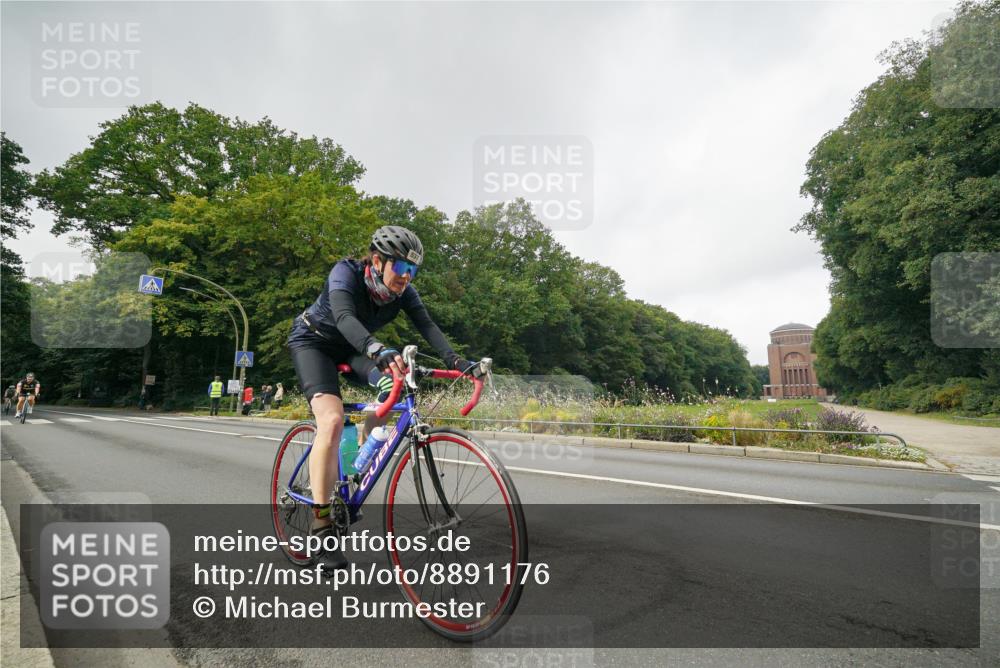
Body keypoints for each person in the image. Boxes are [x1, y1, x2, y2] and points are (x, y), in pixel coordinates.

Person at [287, 225, 480, 571]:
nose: (406, 277)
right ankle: (320, 525)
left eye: (413, 271)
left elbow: (428, 326)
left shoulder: (404, 292)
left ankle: (359, 461)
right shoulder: (344, 273)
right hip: (313, 343)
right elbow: (344, 317)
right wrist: (377, 348)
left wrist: (456, 361)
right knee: (330, 421)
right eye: (402, 268)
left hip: (354, 347)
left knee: (396, 384)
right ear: (377, 260)